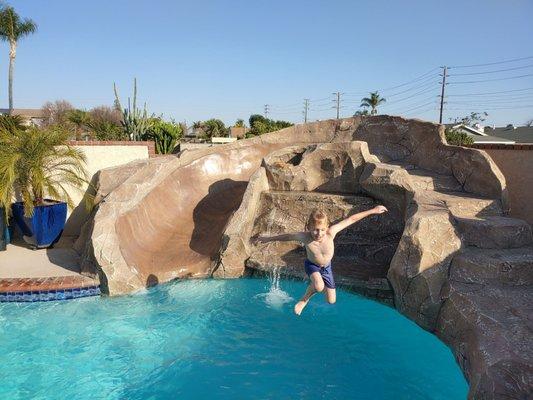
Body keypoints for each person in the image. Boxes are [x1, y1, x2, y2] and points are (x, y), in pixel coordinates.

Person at [252, 205, 388, 315]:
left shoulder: (331, 233)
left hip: (327, 267)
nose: (319, 233)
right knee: (318, 286)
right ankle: (303, 300)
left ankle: (317, 287)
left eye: (322, 230)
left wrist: (374, 211)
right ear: (309, 228)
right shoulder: (305, 237)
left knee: (331, 300)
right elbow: (286, 236)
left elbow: (351, 219)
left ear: (327, 227)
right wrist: (266, 239)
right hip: (312, 266)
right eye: (316, 230)